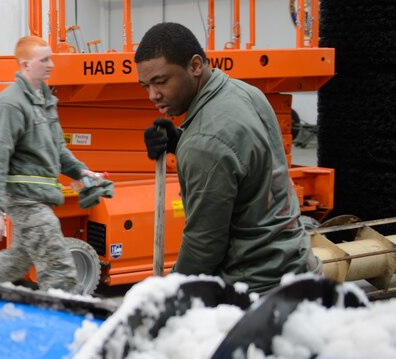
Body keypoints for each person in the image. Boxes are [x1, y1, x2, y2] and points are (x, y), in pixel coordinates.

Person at [135, 22, 321, 294]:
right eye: (145, 85)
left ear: (195, 65)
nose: (153, 95)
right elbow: (246, 162)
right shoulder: (244, 92)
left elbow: (204, 246)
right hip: (297, 265)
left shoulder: (205, 143)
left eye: (161, 82)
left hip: (258, 290)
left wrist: (168, 294)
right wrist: (180, 140)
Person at [0, 35, 111, 293]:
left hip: (40, 197)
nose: (51, 64)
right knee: (59, 267)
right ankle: (70, 318)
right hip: (24, 200)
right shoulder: (10, 104)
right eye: (45, 59)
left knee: (17, 260)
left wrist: (81, 172)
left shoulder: (44, 100)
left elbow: (57, 149)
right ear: (26, 65)